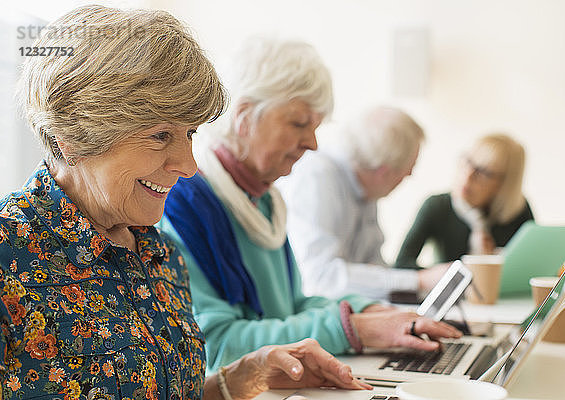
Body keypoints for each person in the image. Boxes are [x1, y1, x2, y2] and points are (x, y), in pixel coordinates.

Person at [0, 6, 373, 399]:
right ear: (73, 137)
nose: (189, 165)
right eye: (160, 135)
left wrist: (245, 376)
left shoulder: (162, 253)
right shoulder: (9, 257)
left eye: (190, 133)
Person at [161, 37, 462, 375]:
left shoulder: (262, 202)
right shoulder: (181, 206)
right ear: (245, 117)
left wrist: (367, 312)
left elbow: (292, 307)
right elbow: (213, 347)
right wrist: (352, 329)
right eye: (299, 124)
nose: (313, 143)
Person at [277, 106, 448, 301]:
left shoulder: (366, 188)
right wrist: (417, 280)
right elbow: (319, 279)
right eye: (407, 171)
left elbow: (373, 265)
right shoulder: (315, 178)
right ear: (383, 172)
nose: (409, 176)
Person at [395, 133, 534, 268]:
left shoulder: (519, 211)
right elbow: (402, 264)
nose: (467, 176)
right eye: (468, 162)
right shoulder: (437, 206)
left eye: (483, 172)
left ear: (504, 184)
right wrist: (448, 273)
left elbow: (532, 266)